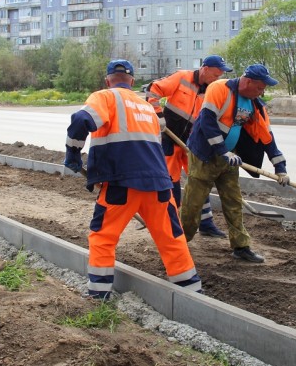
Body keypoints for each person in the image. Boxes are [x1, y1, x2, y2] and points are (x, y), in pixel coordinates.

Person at [64, 59, 202, 300]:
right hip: (159, 185)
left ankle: (98, 296)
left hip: (121, 184)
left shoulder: (106, 96)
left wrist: (73, 152)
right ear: (132, 81)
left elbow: (80, 120)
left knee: (103, 237)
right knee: (172, 239)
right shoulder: (147, 107)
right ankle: (193, 294)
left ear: (108, 80)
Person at [180, 64, 289, 263]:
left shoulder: (256, 104)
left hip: (230, 159)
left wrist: (280, 167)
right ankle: (178, 245)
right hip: (205, 156)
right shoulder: (219, 88)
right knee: (192, 204)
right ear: (248, 81)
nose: (262, 91)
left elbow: (267, 137)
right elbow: (207, 122)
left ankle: (241, 246)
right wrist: (223, 151)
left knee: (234, 202)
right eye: (260, 87)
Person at [145, 55, 232, 238]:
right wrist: (158, 116)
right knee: (171, 180)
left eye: (220, 76)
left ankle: (206, 223)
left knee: (199, 180)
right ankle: (173, 223)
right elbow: (153, 90)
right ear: (205, 68)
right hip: (170, 138)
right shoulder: (182, 77)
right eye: (215, 74)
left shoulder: (212, 90)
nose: (217, 79)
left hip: (192, 143)